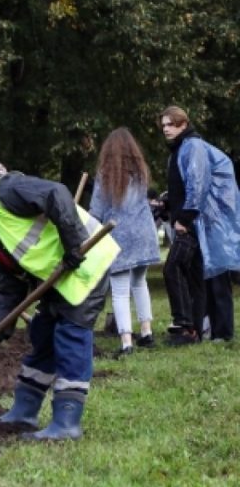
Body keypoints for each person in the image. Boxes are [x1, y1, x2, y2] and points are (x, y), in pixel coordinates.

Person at [0, 171, 119, 441]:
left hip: (86, 263)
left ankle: (67, 423)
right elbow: (11, 286)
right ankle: (23, 412)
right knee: (42, 335)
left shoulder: (4, 191)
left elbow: (56, 193)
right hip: (58, 277)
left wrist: (74, 245)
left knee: (70, 337)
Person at [159, 106, 240, 345]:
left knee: (215, 275)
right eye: (163, 125)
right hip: (199, 220)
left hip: (207, 221)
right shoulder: (180, 150)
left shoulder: (192, 147)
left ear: (183, 124)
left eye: (170, 124)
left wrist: (184, 217)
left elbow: (198, 184)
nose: (165, 129)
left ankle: (222, 332)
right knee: (201, 275)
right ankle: (203, 327)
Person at [89, 128, 160, 356]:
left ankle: (127, 341)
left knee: (119, 290)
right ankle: (147, 332)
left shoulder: (106, 174)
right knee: (140, 283)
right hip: (144, 233)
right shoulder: (141, 172)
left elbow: (97, 211)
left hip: (119, 235)